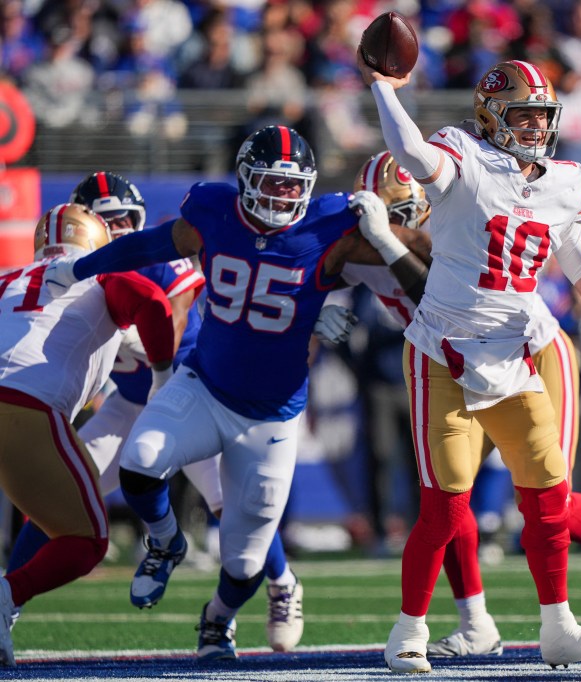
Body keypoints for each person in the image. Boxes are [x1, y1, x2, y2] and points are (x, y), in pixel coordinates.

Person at [356, 55, 581, 672]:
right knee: (446, 504)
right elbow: (411, 153)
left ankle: (560, 629)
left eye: (541, 116)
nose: (535, 126)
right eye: (522, 115)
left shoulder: (565, 183)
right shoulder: (463, 157)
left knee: (548, 493)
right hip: (443, 350)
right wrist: (384, 87)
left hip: (517, 352)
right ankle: (408, 631)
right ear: (490, 115)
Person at [41, 125, 383, 661]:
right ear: (245, 179)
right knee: (140, 461)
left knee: (245, 562)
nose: (282, 196)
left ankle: (218, 618)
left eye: (293, 187)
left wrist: (381, 241)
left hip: (272, 414)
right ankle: (165, 541)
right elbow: (150, 244)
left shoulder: (330, 220)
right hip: (205, 386)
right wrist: (81, 266)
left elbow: (401, 266)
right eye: (271, 182)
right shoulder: (214, 210)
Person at [8, 171, 308, 653]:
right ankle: (10, 603)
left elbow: (175, 315)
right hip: (130, 402)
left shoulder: (157, 262)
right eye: (108, 220)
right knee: (56, 499)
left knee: (230, 504)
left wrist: (132, 339)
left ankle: (281, 583)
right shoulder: (77, 274)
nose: (120, 230)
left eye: (126, 219)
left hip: (191, 396)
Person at [0, 202, 176, 665]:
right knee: (86, 540)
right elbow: (153, 302)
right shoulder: (97, 275)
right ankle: (6, 596)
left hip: (19, 403)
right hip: (24, 405)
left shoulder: (8, 277)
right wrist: (162, 380)